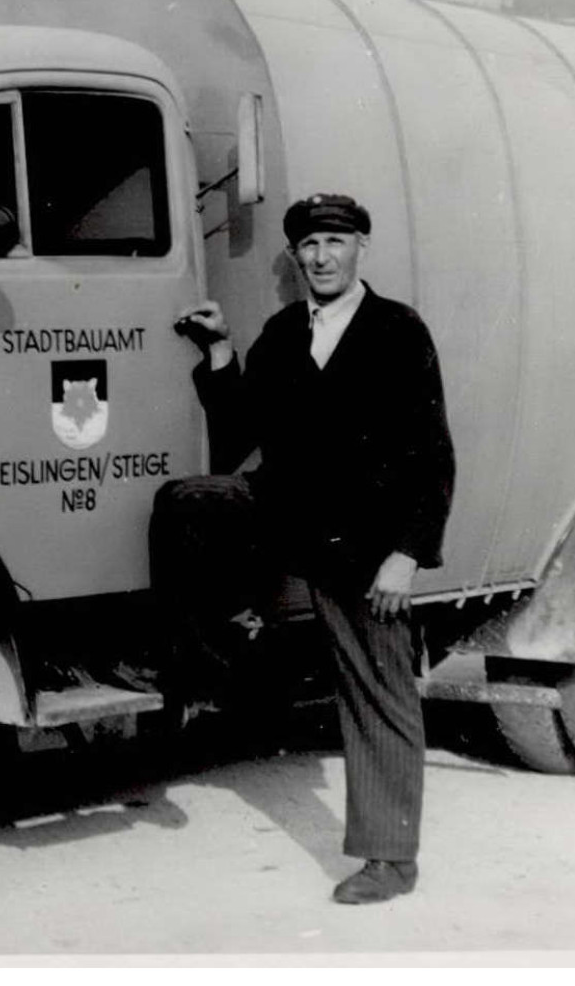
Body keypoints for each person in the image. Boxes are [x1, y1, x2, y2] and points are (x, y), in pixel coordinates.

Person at [156, 193, 455, 904]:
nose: (320, 257)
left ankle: (390, 857)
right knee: (188, 500)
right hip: (291, 526)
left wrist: (405, 555)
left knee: (377, 690)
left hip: (365, 546)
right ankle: (211, 661)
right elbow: (236, 433)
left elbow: (432, 456)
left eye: (333, 242)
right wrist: (222, 349)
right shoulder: (284, 331)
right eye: (308, 247)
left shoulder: (395, 330)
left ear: (360, 248)